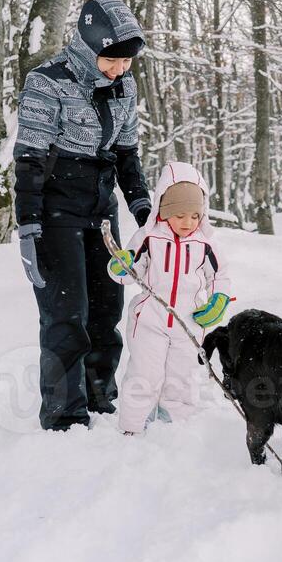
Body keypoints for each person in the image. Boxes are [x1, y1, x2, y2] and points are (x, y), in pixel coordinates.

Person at [13, 0, 152, 431]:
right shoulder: (47, 82)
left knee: (107, 310)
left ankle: (98, 396)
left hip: (101, 211)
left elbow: (127, 152)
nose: (120, 70)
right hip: (56, 212)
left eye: (127, 63)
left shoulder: (124, 86)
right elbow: (30, 158)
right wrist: (28, 226)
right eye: (112, 61)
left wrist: (143, 208)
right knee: (66, 314)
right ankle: (63, 414)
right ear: (88, 47)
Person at [107, 161, 232, 434]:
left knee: (181, 376)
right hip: (149, 318)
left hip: (188, 320)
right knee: (145, 374)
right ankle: (132, 427)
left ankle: (174, 429)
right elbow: (128, 274)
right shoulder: (148, 237)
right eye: (180, 215)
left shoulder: (206, 242)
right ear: (164, 211)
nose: (188, 223)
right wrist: (121, 265)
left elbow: (220, 276)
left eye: (194, 216)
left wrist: (217, 302)